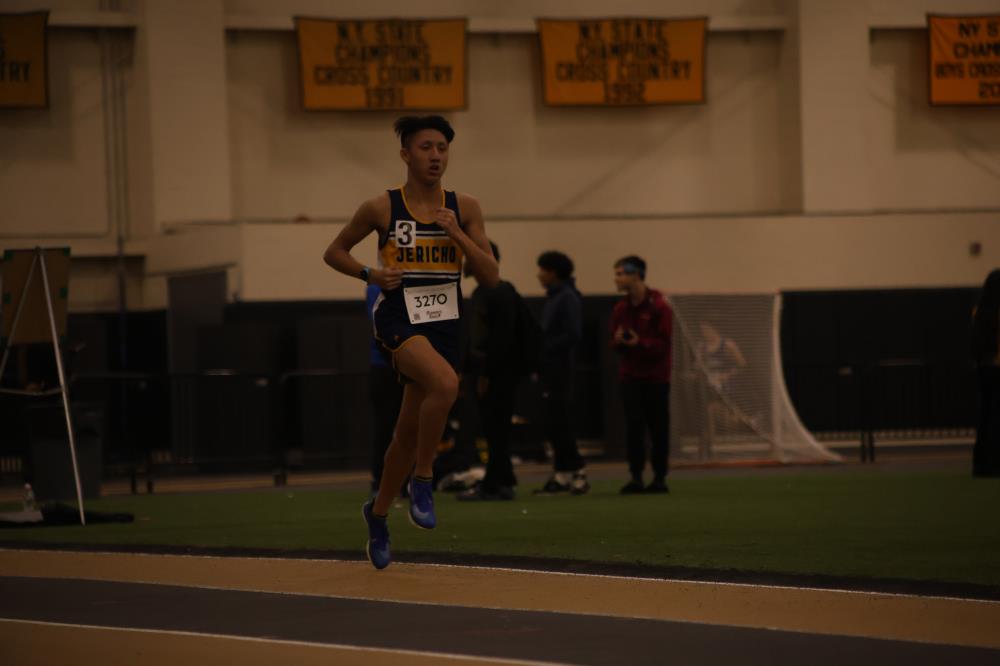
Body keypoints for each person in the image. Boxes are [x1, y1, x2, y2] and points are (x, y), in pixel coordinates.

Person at [323, 115, 499, 570]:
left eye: (442, 147)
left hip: (446, 319)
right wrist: (370, 274)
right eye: (425, 147)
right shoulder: (381, 207)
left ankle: (378, 513)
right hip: (399, 314)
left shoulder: (465, 207)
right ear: (405, 154)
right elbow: (334, 252)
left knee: (405, 433)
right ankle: (424, 478)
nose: (435, 156)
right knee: (446, 384)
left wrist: (457, 234)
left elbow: (491, 275)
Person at [458, 241, 535, 501]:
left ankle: (495, 484)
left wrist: (486, 375)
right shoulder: (482, 292)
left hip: (499, 373)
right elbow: (475, 338)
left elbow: (501, 339)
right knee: (492, 428)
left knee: (496, 427)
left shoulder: (499, 293)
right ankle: (504, 479)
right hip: (487, 371)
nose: (465, 263)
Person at [610, 256, 673, 494]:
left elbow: (664, 346)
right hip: (630, 377)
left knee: (658, 429)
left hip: (655, 378)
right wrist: (619, 342)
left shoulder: (660, 306)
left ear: (636, 274)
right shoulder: (621, 309)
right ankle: (635, 477)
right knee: (633, 429)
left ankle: (659, 478)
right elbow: (614, 345)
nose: (616, 279)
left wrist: (640, 343)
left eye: (620, 274)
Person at [534, 251, 588, 495]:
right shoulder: (555, 297)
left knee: (561, 421)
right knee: (554, 422)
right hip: (550, 368)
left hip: (560, 369)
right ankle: (563, 472)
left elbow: (573, 334)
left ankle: (577, 471)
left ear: (553, 272)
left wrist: (544, 348)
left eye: (542, 270)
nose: (539, 275)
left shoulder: (567, 297)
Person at [366, 283, 405, 496]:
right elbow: (380, 325)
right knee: (384, 426)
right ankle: (380, 481)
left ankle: (406, 481)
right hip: (385, 366)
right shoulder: (376, 285)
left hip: (407, 364)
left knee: (408, 426)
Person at [972, 268, 1000, 477]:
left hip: (983, 368)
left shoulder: (979, 311)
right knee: (996, 418)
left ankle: (981, 464)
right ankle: (994, 463)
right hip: (997, 367)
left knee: (985, 416)